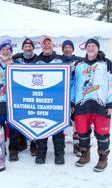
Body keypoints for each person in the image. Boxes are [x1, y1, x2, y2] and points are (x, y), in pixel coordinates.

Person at [72, 38, 112, 172]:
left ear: (97, 48)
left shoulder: (106, 63)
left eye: (93, 46)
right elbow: (73, 84)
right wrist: (72, 101)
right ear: (85, 48)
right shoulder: (79, 64)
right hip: (82, 104)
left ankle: (103, 158)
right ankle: (85, 155)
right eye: (89, 46)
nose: (91, 48)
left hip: (101, 104)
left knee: (102, 133)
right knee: (82, 131)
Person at [34, 36, 65, 164]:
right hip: (41, 99)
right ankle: (41, 153)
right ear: (41, 46)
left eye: (49, 43)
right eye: (44, 44)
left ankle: (59, 154)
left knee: (57, 127)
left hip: (57, 99)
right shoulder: (36, 60)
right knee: (41, 126)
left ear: (53, 46)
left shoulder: (60, 59)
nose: (47, 46)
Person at [12, 38, 38, 156]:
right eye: (26, 46)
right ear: (22, 48)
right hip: (20, 93)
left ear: (33, 47)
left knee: (34, 118)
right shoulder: (17, 58)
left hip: (34, 93)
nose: (28, 48)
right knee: (21, 118)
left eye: (30, 46)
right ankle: (22, 142)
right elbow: (6, 59)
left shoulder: (38, 59)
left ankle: (34, 145)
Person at [61, 40, 83, 157]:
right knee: (61, 121)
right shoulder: (59, 61)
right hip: (61, 95)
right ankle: (60, 144)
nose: (67, 49)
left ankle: (77, 146)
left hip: (75, 96)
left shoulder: (80, 60)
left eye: (69, 47)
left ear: (73, 49)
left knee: (76, 122)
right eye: (65, 47)